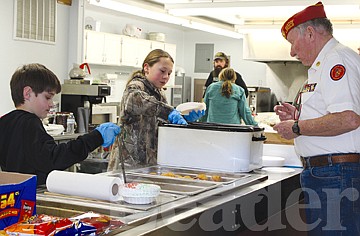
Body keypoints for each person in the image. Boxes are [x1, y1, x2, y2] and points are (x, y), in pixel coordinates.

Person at [273, 2, 360, 235]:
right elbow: (334, 114)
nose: (291, 51)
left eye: (292, 42)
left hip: (335, 174)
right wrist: (298, 115)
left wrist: (297, 126)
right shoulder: (323, 64)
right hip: (330, 173)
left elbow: (348, 119)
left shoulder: (335, 60)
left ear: (310, 33)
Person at [0, 63, 121, 185]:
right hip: (33, 195)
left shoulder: (5, 122)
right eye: (47, 97)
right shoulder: (30, 123)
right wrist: (96, 137)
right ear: (27, 93)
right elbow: (55, 158)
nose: (52, 104)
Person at [119, 49, 204, 167]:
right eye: (162, 71)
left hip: (150, 162)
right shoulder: (136, 86)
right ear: (146, 67)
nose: (166, 77)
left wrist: (183, 118)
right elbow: (136, 100)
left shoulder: (159, 93)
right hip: (129, 163)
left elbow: (161, 123)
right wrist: (168, 112)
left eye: (169, 73)